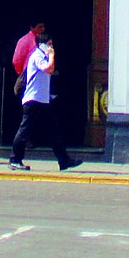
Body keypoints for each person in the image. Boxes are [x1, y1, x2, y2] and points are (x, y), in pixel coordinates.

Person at [9, 30, 81, 171]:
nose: (51, 47)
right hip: (33, 100)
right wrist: (52, 56)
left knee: (54, 131)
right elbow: (49, 69)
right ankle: (15, 159)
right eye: (49, 44)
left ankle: (64, 160)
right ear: (42, 45)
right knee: (24, 131)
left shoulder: (42, 56)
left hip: (43, 101)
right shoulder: (37, 56)